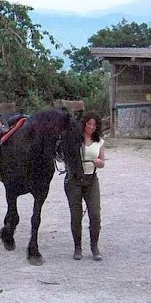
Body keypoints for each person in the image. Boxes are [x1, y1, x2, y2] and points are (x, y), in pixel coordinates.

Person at [65, 111, 105, 261]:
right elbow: (66, 156)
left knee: (95, 214)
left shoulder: (99, 141)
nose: (91, 127)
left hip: (91, 179)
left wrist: (99, 163)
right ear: (84, 124)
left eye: (94, 125)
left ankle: (94, 246)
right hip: (75, 179)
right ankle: (77, 247)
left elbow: (102, 161)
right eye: (89, 124)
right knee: (76, 216)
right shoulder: (75, 139)